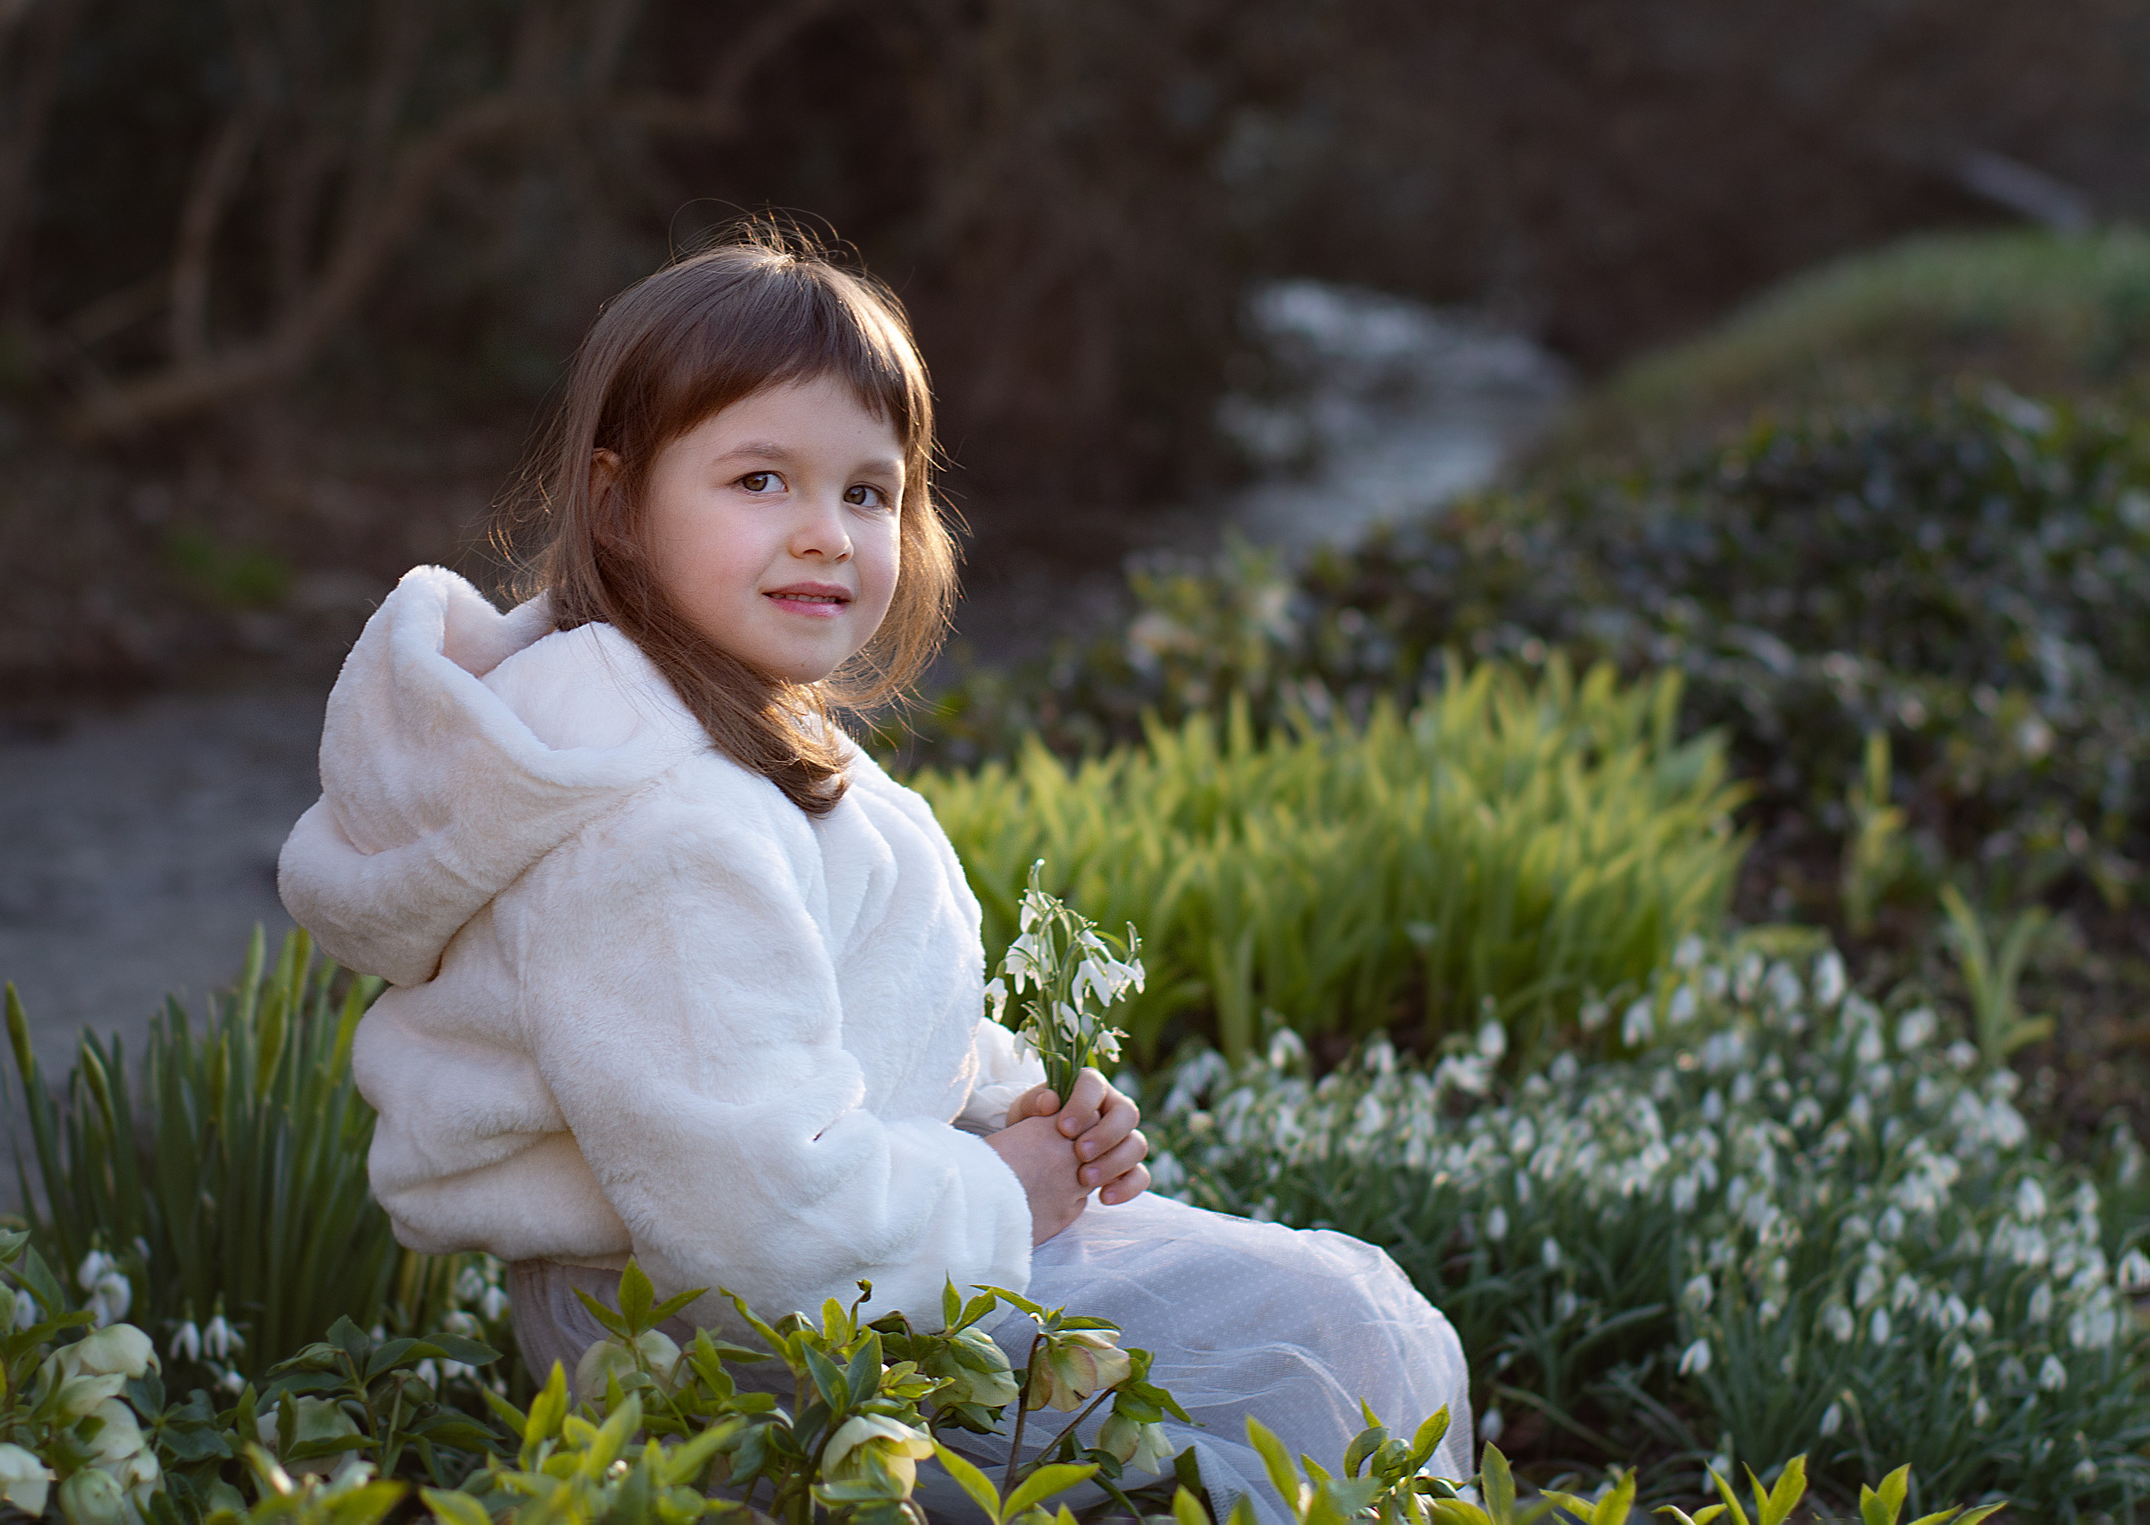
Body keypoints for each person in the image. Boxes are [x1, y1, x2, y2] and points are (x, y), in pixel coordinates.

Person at [277, 224, 1471, 1516]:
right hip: (720, 1347)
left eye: (866, 491)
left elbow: (846, 1021)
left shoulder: (731, 735)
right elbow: (756, 1219)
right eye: (760, 482)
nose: (826, 535)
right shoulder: (655, 829)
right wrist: (1005, 1195)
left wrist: (1009, 1111)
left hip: (841, 1267)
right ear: (617, 507)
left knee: (1346, 1326)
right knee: (1328, 1349)